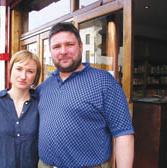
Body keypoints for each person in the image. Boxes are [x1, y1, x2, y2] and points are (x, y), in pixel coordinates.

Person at [36, 22, 134, 168]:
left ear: (80, 46)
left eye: (69, 44)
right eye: (56, 47)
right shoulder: (44, 87)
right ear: (51, 51)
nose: (63, 51)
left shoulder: (103, 81)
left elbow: (123, 132)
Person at [0, 50, 41, 168]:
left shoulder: (40, 105)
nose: (23, 76)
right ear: (10, 70)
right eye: (19, 69)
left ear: (35, 77)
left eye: (30, 71)